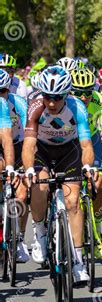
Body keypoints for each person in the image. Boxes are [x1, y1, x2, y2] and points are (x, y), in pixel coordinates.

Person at [23, 65, 94, 284]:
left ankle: (79, 261)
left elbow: (86, 144)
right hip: (42, 152)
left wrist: (88, 166)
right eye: (47, 97)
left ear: (66, 94)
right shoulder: (36, 107)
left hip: (69, 151)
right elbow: (28, 145)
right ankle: (40, 233)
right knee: (40, 186)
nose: (51, 103)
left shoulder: (77, 107)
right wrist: (27, 170)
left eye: (57, 97)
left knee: (73, 202)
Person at [70, 68, 102, 253]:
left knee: (96, 183)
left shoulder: (99, 100)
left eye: (87, 92)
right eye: (78, 92)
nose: (83, 97)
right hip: (71, 142)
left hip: (93, 140)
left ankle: (96, 225)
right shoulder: (67, 102)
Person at [0, 69, 25, 260]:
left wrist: (17, 167)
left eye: (2, 90)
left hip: (18, 145)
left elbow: (27, 135)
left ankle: (19, 238)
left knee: (22, 194)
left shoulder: (18, 104)